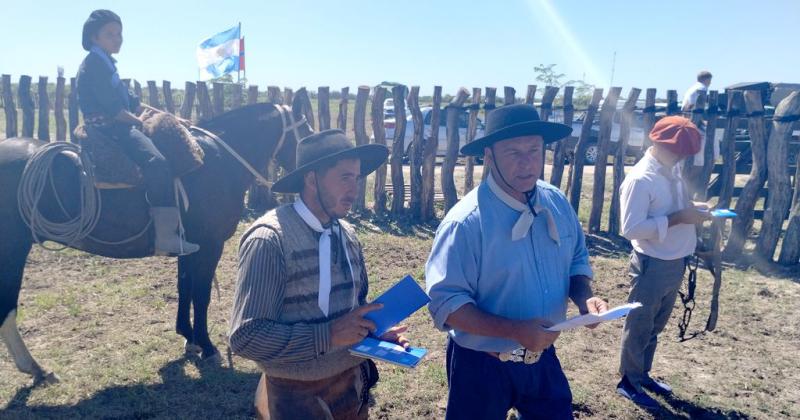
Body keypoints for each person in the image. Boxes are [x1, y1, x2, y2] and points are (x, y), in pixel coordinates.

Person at [425, 104, 608, 419]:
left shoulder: (557, 202)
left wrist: (584, 299)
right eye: (513, 153)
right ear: (489, 156)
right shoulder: (466, 223)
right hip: (482, 363)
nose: (527, 164)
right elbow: (447, 304)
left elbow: (576, 259)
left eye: (534, 151)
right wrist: (515, 330)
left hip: (542, 358)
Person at [228, 130, 409, 420]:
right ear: (311, 179)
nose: (354, 189)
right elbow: (246, 338)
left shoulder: (347, 234)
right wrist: (328, 334)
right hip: (294, 397)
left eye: (357, 178)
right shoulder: (270, 239)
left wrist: (374, 332)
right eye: (345, 178)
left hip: (352, 387)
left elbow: (352, 314)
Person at [76, 9, 198, 255]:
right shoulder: (94, 65)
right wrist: (139, 123)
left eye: (119, 33)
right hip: (109, 129)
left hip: (116, 124)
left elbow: (134, 103)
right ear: (94, 38)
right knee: (158, 162)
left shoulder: (107, 64)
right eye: (110, 34)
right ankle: (165, 238)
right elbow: (114, 110)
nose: (117, 39)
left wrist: (171, 117)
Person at [616, 116, 711, 408]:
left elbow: (673, 207)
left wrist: (691, 209)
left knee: (656, 325)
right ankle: (628, 381)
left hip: (675, 259)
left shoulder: (673, 168)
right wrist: (678, 218)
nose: (681, 157)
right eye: (678, 151)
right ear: (657, 143)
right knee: (640, 324)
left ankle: (642, 374)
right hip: (652, 263)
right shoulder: (641, 178)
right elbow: (631, 228)